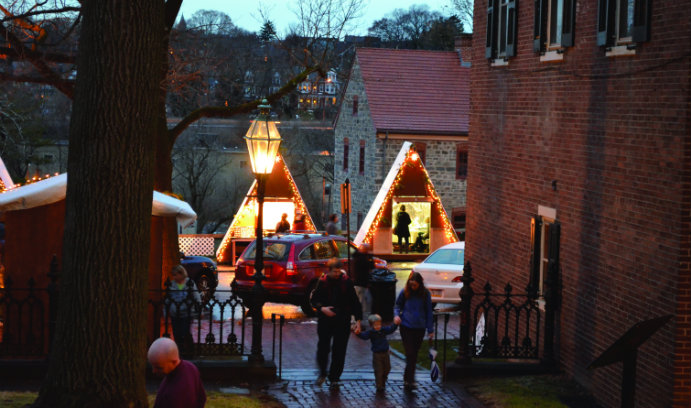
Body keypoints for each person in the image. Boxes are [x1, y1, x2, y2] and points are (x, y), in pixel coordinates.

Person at [310, 258, 362, 387]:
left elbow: (354, 302)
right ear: (329, 271)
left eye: (339, 271)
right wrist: (322, 309)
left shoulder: (346, 283)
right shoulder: (322, 282)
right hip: (325, 320)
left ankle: (335, 377)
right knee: (323, 348)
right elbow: (314, 300)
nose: (337, 274)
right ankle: (322, 372)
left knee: (340, 349)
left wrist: (358, 320)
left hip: (342, 319)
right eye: (334, 272)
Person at [393, 271, 434, 391]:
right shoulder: (405, 292)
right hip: (406, 326)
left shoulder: (425, 294)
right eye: (411, 285)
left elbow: (428, 312)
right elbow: (397, 305)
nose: (413, 287)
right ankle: (410, 379)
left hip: (419, 327)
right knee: (410, 353)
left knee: (414, 354)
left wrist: (430, 329)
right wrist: (396, 315)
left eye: (415, 285)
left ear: (419, 284)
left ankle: (408, 378)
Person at [148, 337, 206, 408]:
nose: (153, 371)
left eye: (159, 367)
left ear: (173, 361)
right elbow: (202, 398)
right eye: (152, 366)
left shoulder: (173, 395)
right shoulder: (191, 367)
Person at [353, 314, 398, 393]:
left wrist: (396, 324)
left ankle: (383, 380)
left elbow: (391, 329)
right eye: (376, 325)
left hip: (385, 353)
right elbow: (364, 336)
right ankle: (379, 385)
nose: (378, 326)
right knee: (379, 370)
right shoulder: (371, 332)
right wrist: (358, 333)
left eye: (379, 324)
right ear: (371, 325)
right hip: (377, 354)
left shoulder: (383, 330)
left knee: (387, 368)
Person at [166, 265, 201, 353]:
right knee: (176, 333)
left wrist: (199, 307)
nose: (174, 277)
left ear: (181, 274)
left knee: (185, 332)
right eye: (173, 275)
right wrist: (166, 311)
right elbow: (168, 298)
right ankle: (180, 351)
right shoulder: (172, 284)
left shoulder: (189, 283)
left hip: (186, 312)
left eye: (175, 274)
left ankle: (189, 351)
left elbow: (196, 295)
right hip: (175, 312)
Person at [351, 243, 374, 325]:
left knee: (359, 303)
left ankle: (356, 321)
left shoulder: (357, 257)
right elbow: (371, 266)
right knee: (362, 304)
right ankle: (358, 322)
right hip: (360, 284)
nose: (368, 251)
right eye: (367, 249)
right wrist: (370, 258)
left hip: (358, 284)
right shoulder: (362, 258)